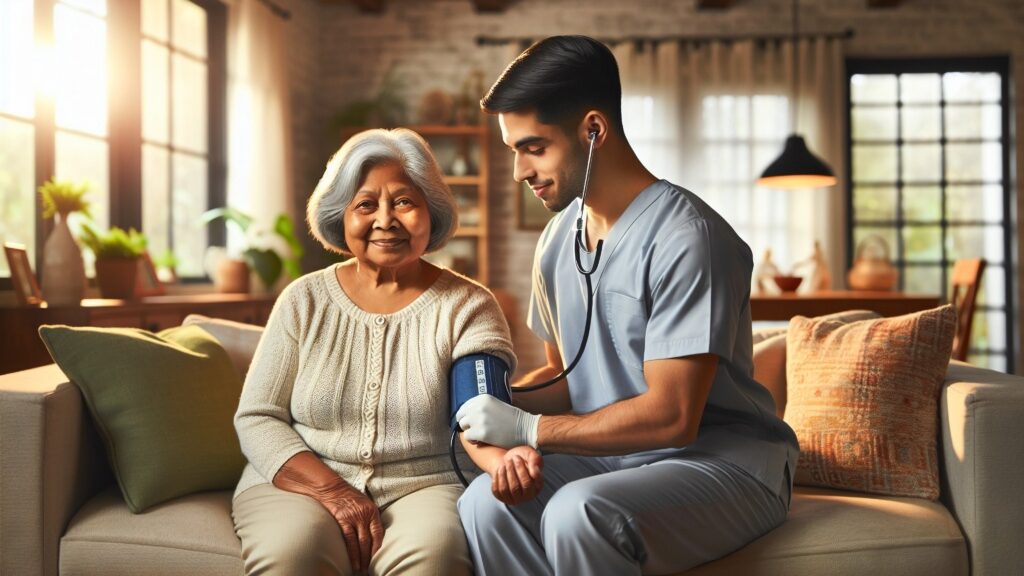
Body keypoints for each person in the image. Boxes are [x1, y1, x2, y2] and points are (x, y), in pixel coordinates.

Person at [455, 35, 800, 575]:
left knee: (580, 512)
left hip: (725, 462)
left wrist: (527, 430)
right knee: (485, 504)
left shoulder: (690, 237)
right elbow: (567, 376)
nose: (519, 171)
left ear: (593, 130)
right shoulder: (555, 240)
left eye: (534, 147)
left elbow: (673, 417)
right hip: (617, 458)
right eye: (513, 150)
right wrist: (487, 403)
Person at [231, 128, 516, 576]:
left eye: (404, 202)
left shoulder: (469, 305)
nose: (386, 220)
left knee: (434, 558)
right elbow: (257, 416)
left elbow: (481, 413)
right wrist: (333, 491)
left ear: (431, 212)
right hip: (304, 481)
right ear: (340, 216)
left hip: (427, 483)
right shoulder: (303, 299)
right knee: (293, 555)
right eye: (366, 204)